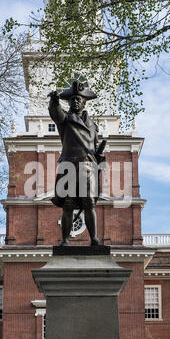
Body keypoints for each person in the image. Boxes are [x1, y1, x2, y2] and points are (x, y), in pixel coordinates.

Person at [48, 80, 105, 246]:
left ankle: (94, 239)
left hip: (88, 166)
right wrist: (54, 101)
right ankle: (64, 240)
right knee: (68, 203)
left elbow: (94, 146)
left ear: (84, 102)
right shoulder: (65, 119)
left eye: (78, 99)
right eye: (72, 99)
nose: (75, 101)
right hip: (69, 166)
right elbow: (56, 114)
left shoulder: (93, 125)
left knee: (89, 203)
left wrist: (99, 154)